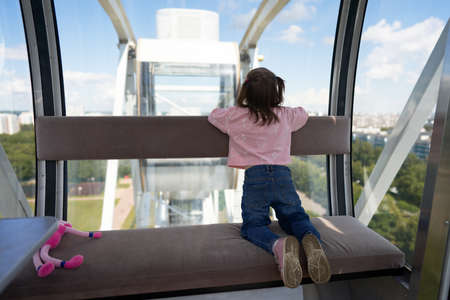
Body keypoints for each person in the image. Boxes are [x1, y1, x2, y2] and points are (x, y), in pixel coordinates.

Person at [208, 67, 331, 288]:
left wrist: (239, 104)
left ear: (246, 91)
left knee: (253, 226)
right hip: (283, 176)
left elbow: (213, 116)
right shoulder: (286, 116)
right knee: (295, 217)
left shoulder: (236, 116)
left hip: (255, 177)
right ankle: (310, 240)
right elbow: (303, 113)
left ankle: (278, 246)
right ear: (276, 91)